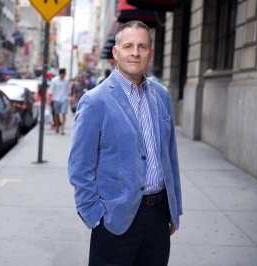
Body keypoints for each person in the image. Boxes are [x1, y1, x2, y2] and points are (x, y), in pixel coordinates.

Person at [68, 20, 182, 266]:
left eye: (142, 46)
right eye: (128, 45)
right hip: (114, 220)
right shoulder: (94, 101)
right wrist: (95, 217)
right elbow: (80, 169)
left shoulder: (162, 96)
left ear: (150, 53)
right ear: (116, 52)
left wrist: (174, 208)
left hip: (158, 216)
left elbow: (170, 157)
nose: (135, 52)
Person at [48, 68, 70, 135]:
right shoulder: (54, 80)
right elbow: (51, 90)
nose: (65, 75)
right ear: (61, 73)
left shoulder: (66, 81)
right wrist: (50, 98)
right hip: (56, 99)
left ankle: (62, 128)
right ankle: (57, 126)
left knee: (63, 113)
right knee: (56, 114)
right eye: (64, 73)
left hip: (64, 99)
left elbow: (68, 90)